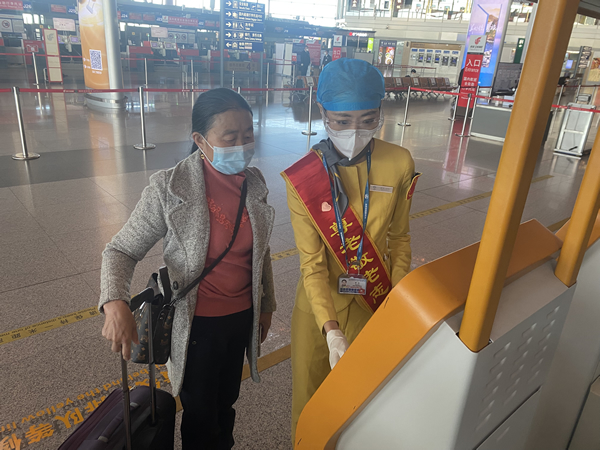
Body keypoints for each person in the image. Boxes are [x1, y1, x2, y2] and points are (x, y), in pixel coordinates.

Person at [99, 88, 276, 450]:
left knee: (226, 403)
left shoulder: (254, 182)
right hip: (196, 325)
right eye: (230, 137)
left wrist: (267, 305)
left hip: (240, 319)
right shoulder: (169, 188)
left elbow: (261, 251)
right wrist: (114, 302)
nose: (242, 145)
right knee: (200, 413)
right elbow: (120, 250)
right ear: (200, 140)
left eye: (248, 135)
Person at [282, 59, 419, 442]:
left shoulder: (399, 162)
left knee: (364, 404)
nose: (354, 131)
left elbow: (400, 239)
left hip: (373, 303)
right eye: (342, 121)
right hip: (318, 310)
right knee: (309, 404)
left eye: (367, 119)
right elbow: (311, 264)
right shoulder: (303, 177)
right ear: (322, 111)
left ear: (380, 112)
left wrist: (397, 302)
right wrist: (330, 330)